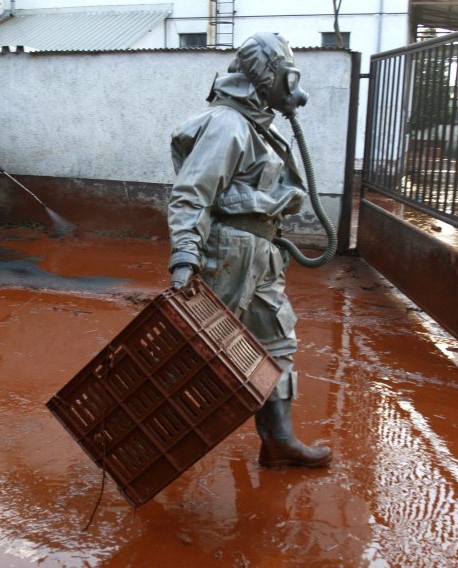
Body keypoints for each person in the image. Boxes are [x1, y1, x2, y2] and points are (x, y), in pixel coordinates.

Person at [167, 33, 332, 468]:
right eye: (287, 77)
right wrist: (185, 255)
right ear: (266, 79)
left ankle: (278, 441)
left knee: (275, 340)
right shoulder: (228, 124)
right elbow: (192, 194)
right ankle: (143, 438)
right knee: (203, 350)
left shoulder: (259, 125)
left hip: (262, 249)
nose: (294, 88)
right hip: (229, 250)